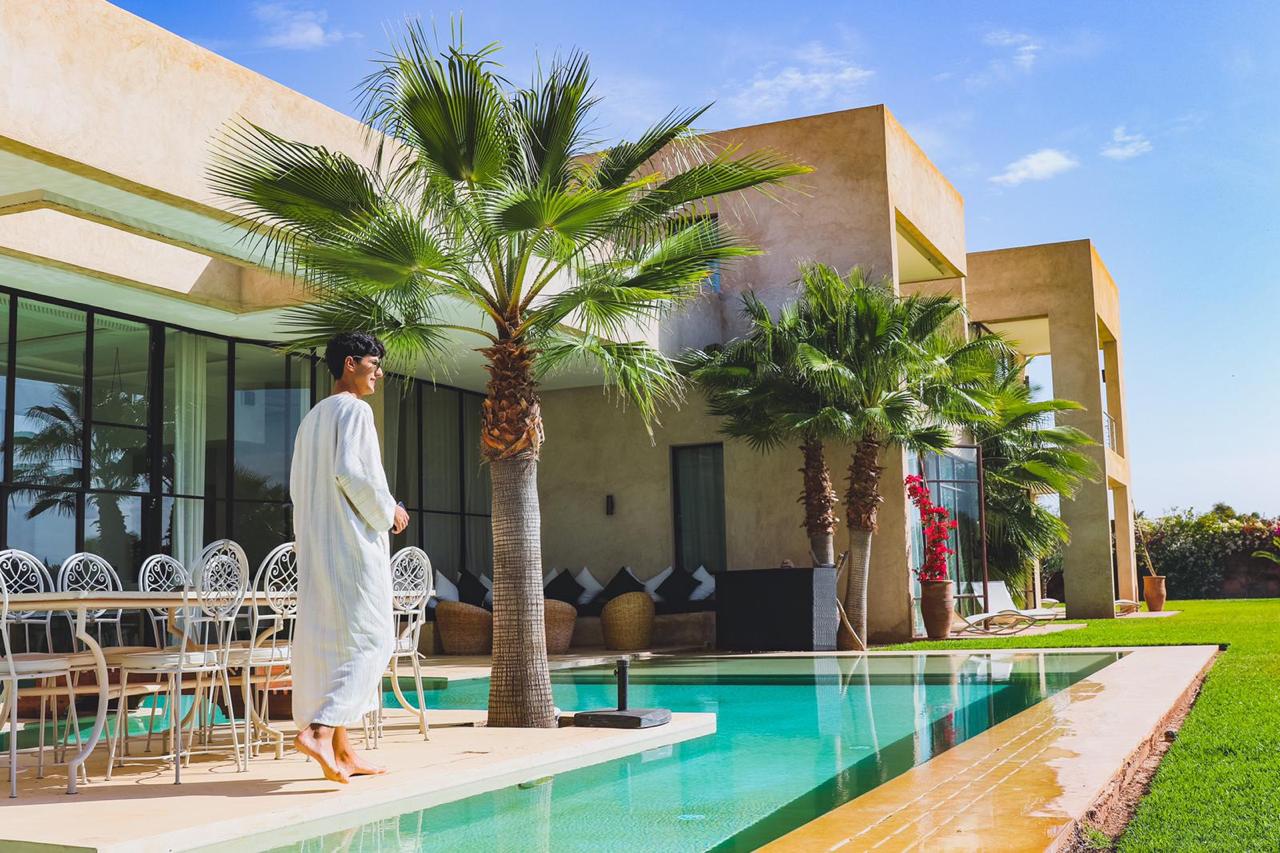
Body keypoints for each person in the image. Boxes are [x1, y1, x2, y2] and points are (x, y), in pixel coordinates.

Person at [289, 332, 410, 783]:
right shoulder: (355, 410)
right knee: (373, 638)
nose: (379, 373)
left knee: (329, 644)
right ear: (350, 364)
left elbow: (299, 487)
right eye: (374, 364)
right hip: (351, 546)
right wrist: (390, 510)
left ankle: (343, 749)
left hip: (317, 545)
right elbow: (354, 474)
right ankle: (320, 732)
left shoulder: (312, 419)